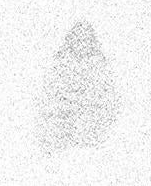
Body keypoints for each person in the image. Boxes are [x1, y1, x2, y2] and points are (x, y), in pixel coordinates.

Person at [35, 21, 119, 155]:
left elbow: (108, 103)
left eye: (85, 40)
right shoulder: (61, 65)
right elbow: (49, 101)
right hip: (63, 143)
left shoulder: (98, 67)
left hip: (94, 144)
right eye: (78, 39)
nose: (81, 45)